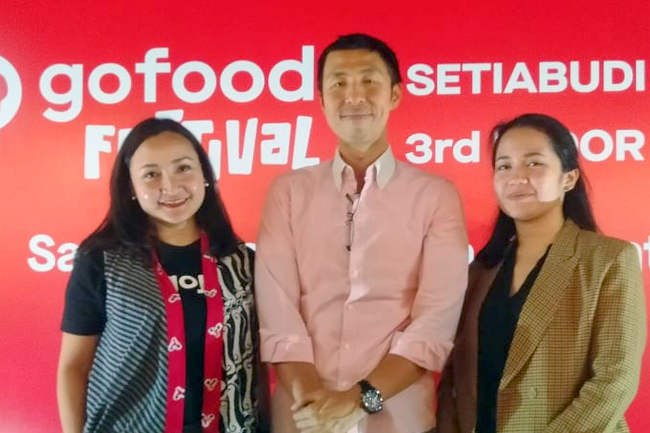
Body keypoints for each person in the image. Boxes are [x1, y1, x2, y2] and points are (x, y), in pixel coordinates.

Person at [255, 33, 468, 433]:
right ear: (322, 100)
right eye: (338, 83)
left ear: (395, 94)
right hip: (302, 416)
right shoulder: (288, 192)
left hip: (398, 420)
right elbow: (278, 315)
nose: (354, 96)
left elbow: (434, 323)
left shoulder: (435, 195)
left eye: (369, 80)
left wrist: (358, 400)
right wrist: (317, 407)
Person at [437, 113, 647, 433]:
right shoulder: (480, 271)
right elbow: (455, 378)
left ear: (569, 178)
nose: (516, 177)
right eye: (504, 166)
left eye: (534, 163)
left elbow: (615, 380)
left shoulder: (609, 259)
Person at [57, 118, 269, 433]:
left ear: (205, 175)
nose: (170, 187)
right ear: (131, 187)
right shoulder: (101, 260)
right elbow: (74, 367)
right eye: (151, 174)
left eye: (183, 168)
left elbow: (257, 364)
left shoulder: (240, 262)